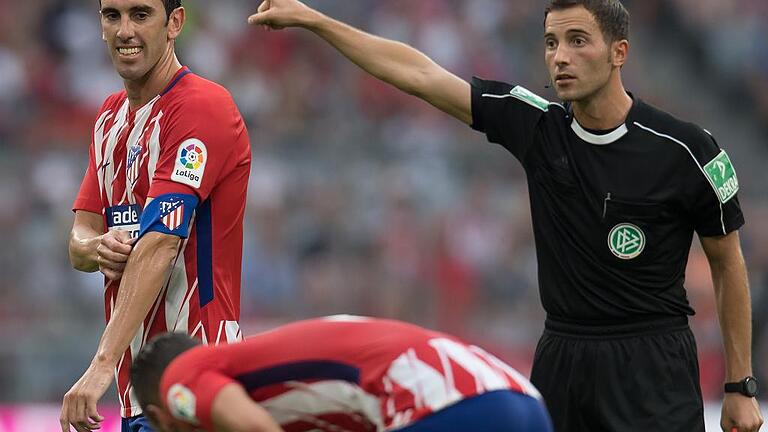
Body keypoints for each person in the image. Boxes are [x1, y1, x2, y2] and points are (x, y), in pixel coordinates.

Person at [246, 1, 764, 431]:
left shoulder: (688, 150)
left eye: (578, 41)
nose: (560, 57)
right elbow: (420, 74)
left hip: (653, 364)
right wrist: (316, 20)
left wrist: (740, 386)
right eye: (551, 43)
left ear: (618, 53)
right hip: (563, 357)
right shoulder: (536, 125)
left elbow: (728, 266)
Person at [62, 0, 251, 431]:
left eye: (141, 14)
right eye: (113, 16)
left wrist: (100, 364)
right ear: (101, 27)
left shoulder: (203, 106)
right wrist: (97, 246)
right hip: (138, 395)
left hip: (197, 379)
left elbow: (161, 243)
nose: (125, 30)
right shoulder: (109, 117)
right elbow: (80, 237)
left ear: (175, 23)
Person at [130, 315, 553, 432]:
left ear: (163, 416)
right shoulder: (283, 391)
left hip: (443, 404)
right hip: (520, 399)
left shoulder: (180, 379)